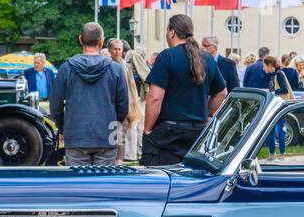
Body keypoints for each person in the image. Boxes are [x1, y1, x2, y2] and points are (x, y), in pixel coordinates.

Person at [142, 13, 227, 166]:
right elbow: (221, 93)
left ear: (172, 32)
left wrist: (148, 129)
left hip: (169, 134)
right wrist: (207, 114)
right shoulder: (206, 58)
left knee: (160, 179)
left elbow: (154, 97)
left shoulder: (167, 56)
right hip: (197, 132)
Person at [47, 22, 128, 168]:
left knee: (78, 186)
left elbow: (55, 105)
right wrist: (112, 123)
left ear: (80, 39)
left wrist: (63, 127)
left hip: (76, 134)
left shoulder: (66, 68)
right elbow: (123, 106)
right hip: (106, 134)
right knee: (104, 184)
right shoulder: (115, 69)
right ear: (101, 41)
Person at [108, 38, 143, 165]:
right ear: (110, 50)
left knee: (121, 137)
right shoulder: (106, 65)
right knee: (113, 137)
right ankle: (112, 161)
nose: (117, 51)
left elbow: (132, 88)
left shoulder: (127, 66)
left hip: (126, 105)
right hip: (111, 107)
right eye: (115, 49)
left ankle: (119, 162)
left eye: (119, 49)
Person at [262, 55, 294, 159]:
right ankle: (272, 154)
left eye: (264, 65)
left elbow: (285, 89)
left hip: (280, 105)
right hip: (274, 105)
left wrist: (272, 92)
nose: (263, 68)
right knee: (271, 129)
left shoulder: (279, 74)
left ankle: (282, 154)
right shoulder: (273, 74)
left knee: (279, 129)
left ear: (270, 65)